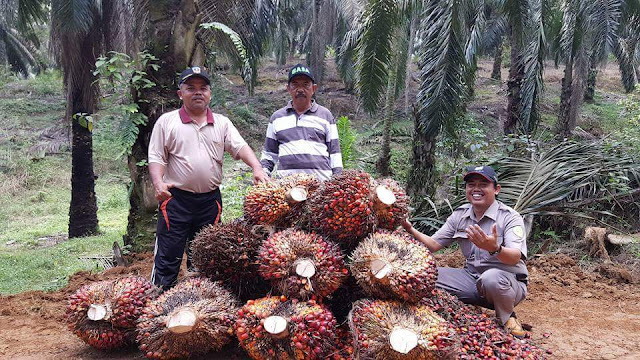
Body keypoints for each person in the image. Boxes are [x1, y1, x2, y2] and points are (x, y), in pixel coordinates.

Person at [148, 66, 269, 290]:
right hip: (175, 200)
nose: (198, 92)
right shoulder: (167, 122)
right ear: (180, 93)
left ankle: (202, 307)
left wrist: (257, 167)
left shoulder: (221, 123)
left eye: (203, 88)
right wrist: (157, 183)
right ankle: (158, 303)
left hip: (209, 202)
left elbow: (240, 146)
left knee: (206, 258)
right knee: (168, 255)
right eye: (190, 88)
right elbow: (156, 157)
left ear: (210, 93)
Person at [403, 165, 529, 337]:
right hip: (472, 280)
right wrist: (409, 229)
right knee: (426, 274)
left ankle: (507, 317)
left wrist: (494, 248)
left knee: (491, 278)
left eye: (483, 184)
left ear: (496, 189)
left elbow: (514, 258)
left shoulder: (509, 217)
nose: (476, 189)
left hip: (507, 285)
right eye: (471, 184)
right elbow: (433, 245)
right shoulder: (460, 215)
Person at [260, 64, 342, 181]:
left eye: (305, 84)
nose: (300, 89)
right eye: (295, 84)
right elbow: (269, 153)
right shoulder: (277, 118)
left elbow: (335, 153)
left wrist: (338, 180)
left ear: (313, 88)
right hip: (286, 188)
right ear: (288, 88)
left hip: (321, 187)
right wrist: (263, 174)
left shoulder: (325, 115)